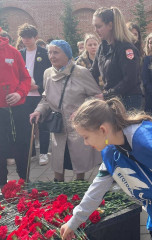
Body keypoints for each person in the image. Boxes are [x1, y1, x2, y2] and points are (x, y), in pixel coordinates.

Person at [60, 98, 152, 240]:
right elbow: (96, 190)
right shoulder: (110, 153)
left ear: (102, 129)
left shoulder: (143, 136)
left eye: (86, 137)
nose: (85, 143)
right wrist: (73, 222)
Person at [29, 40, 102, 182]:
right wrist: (38, 111)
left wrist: (82, 111)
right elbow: (46, 98)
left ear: (67, 55)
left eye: (56, 52)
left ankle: (79, 187)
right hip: (59, 127)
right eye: (50, 52)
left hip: (78, 127)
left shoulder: (81, 72)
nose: (51, 55)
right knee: (58, 162)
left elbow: (96, 97)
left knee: (79, 162)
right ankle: (59, 190)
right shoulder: (48, 73)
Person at [90, 7, 142, 110]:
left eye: (99, 26)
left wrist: (106, 95)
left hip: (128, 101)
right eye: (94, 26)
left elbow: (130, 80)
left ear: (110, 25)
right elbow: (93, 72)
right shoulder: (102, 46)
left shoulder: (126, 48)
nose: (95, 30)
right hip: (112, 100)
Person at [0, 27, 31, 188]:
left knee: (22, 145)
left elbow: (26, 78)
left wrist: (19, 94)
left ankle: (24, 181)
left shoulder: (13, 52)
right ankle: (2, 186)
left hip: (17, 108)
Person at [18, 23, 51, 166]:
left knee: (42, 124)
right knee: (26, 125)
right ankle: (31, 153)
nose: (26, 40)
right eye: (23, 37)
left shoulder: (45, 53)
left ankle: (43, 153)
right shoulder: (19, 54)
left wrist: (38, 86)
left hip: (40, 94)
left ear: (35, 37)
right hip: (24, 95)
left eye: (29, 37)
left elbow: (49, 74)